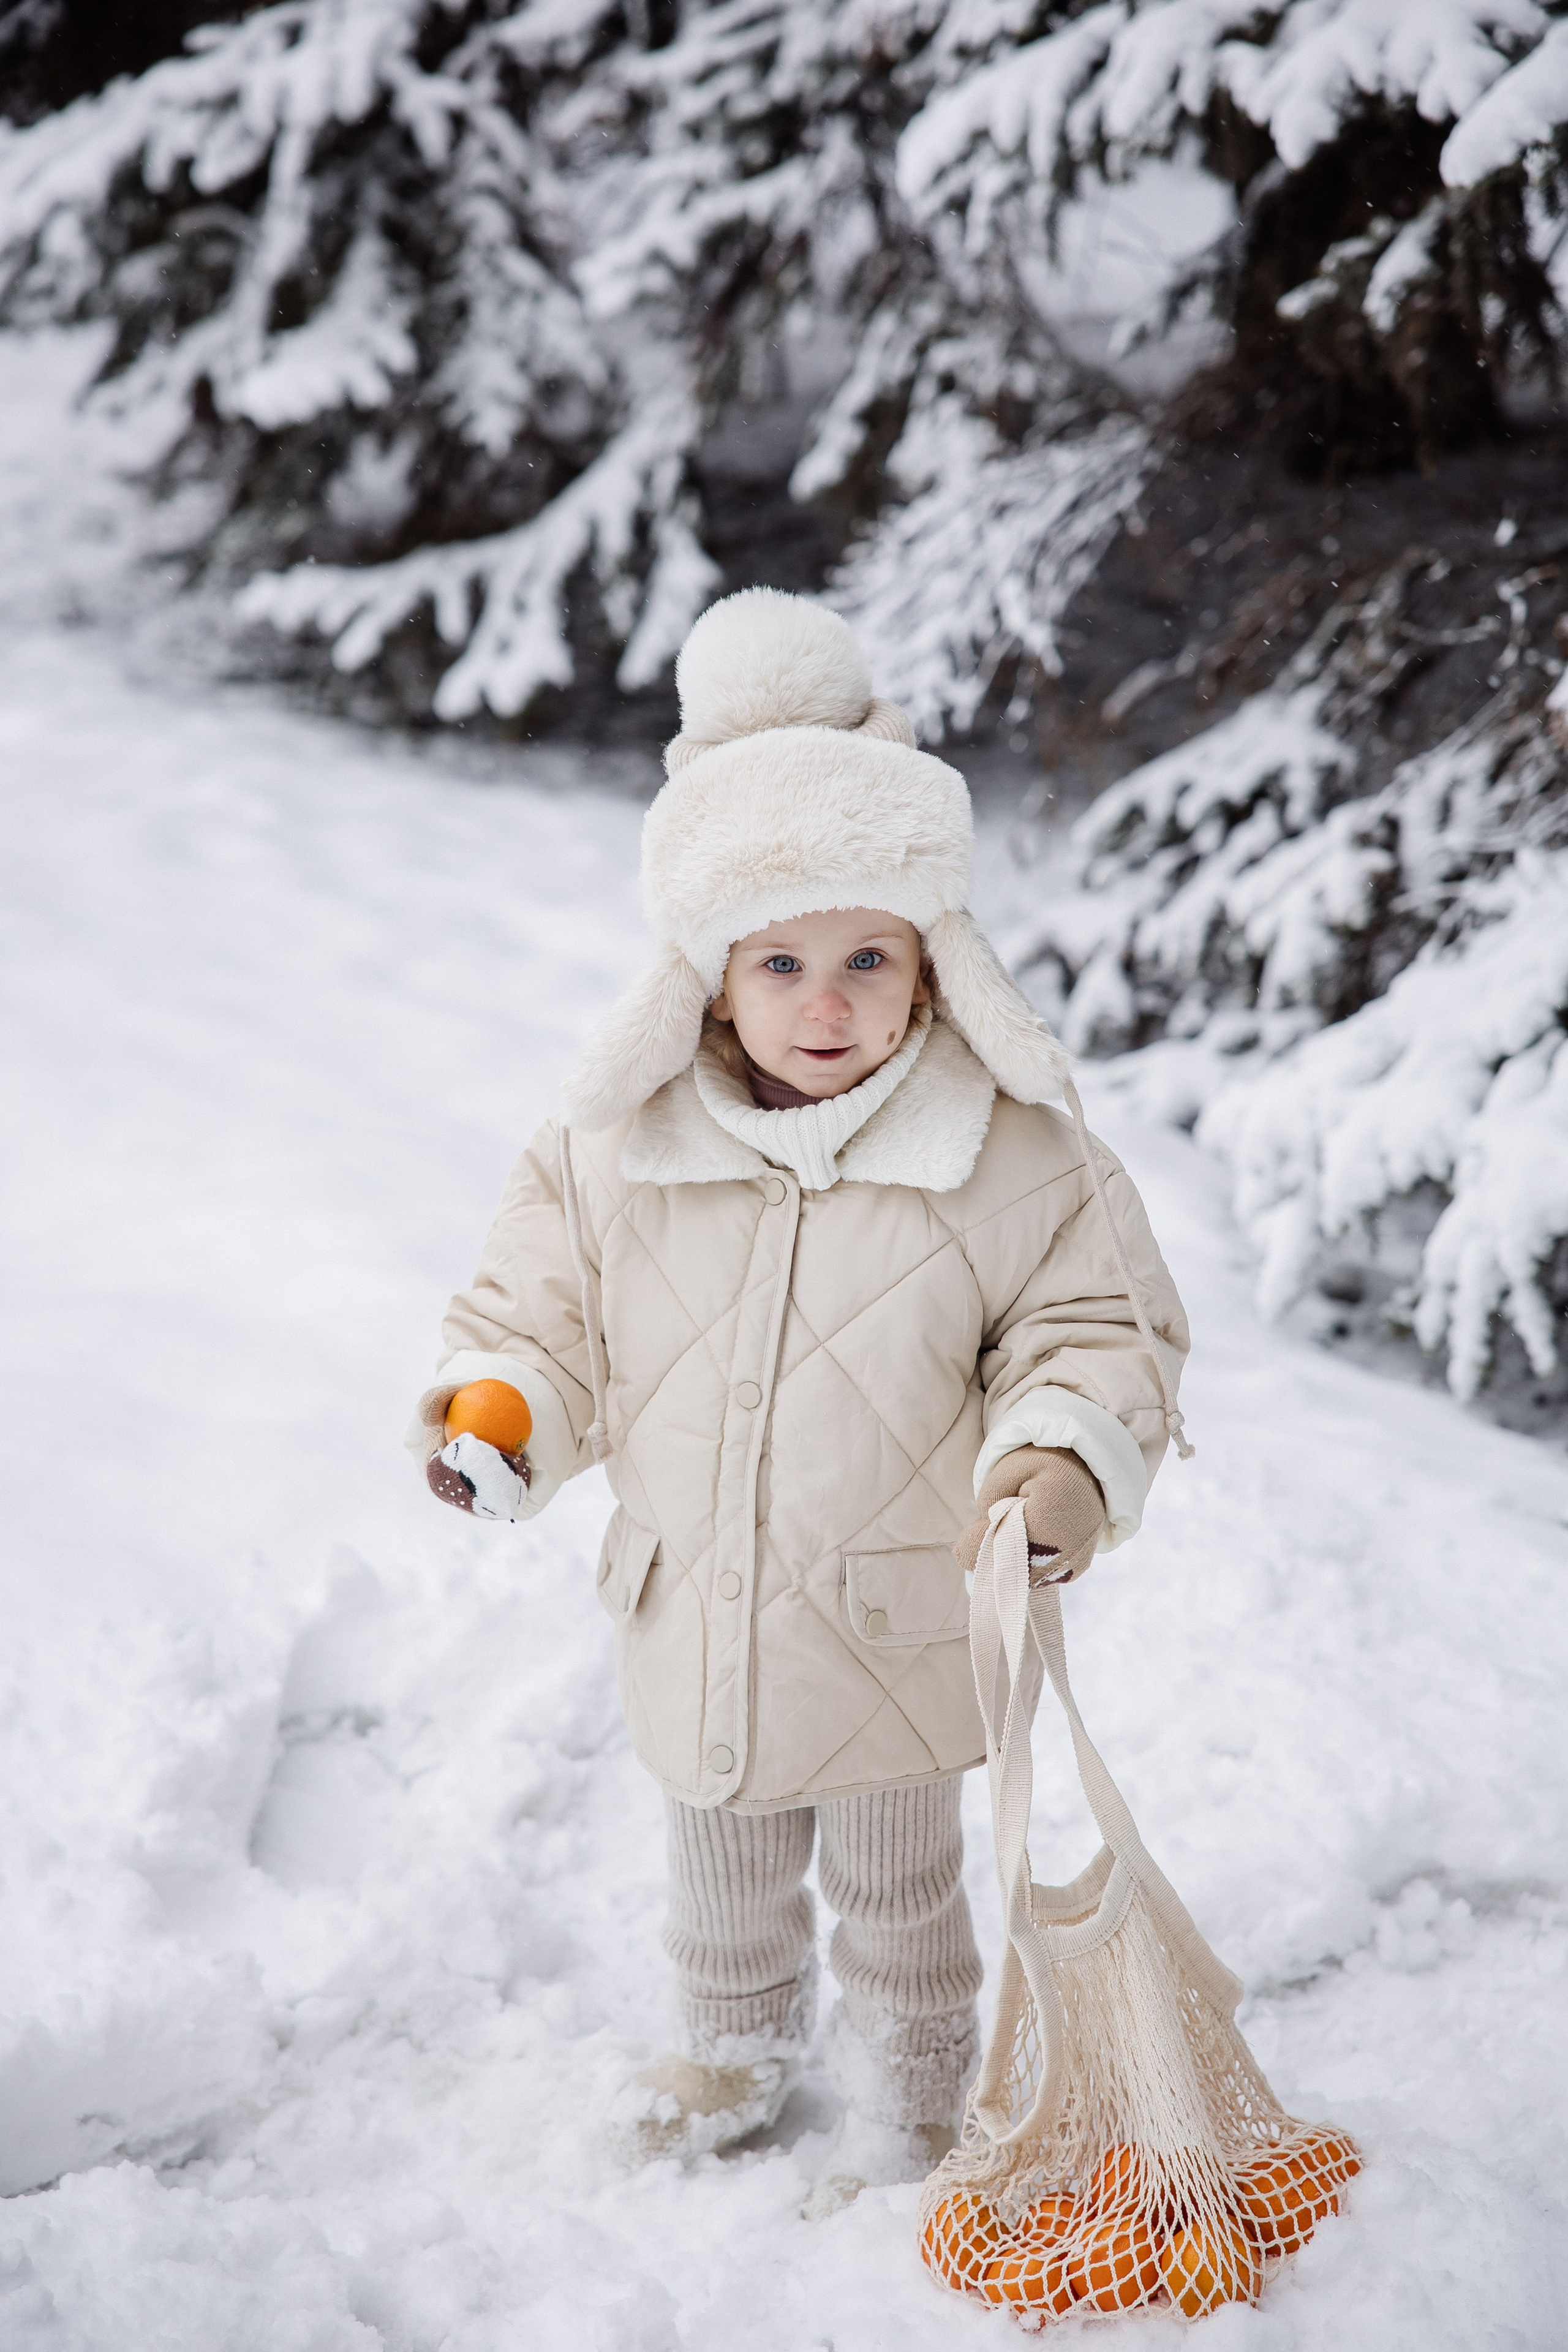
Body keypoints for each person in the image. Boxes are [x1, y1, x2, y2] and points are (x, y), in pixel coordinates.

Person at [409, 590, 1189, 2214]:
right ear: (708, 981)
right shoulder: (615, 1148)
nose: (825, 1002)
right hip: (699, 1610)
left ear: (930, 964)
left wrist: (1058, 1461)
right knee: (727, 1879)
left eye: (867, 958)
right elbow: (539, 1314)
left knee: (903, 1899)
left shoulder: (1011, 1155)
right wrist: (500, 1410)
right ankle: (734, 2056)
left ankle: (919, 2099)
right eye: (781, 962)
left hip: (903, 1620)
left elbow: (1097, 1327)